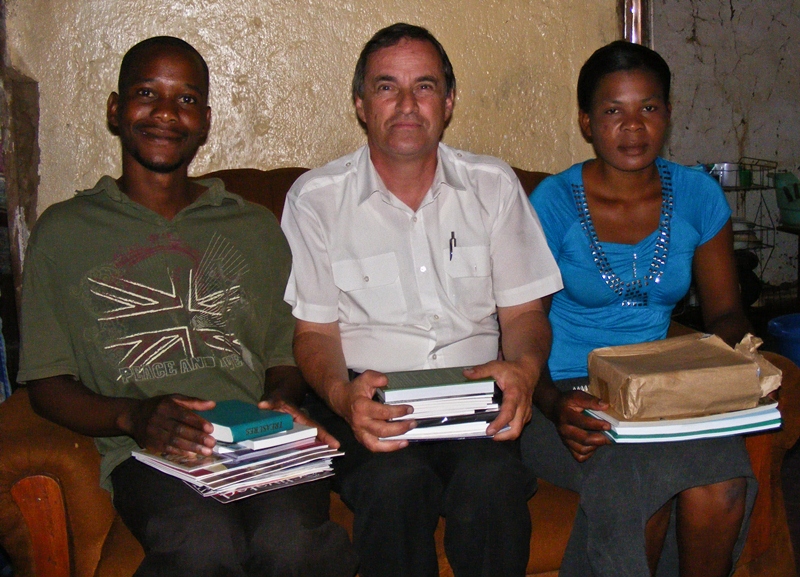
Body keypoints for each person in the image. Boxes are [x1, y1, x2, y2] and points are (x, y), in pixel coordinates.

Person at [17, 36, 357, 577]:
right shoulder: (63, 233)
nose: (165, 113)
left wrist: (276, 406)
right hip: (151, 453)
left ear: (205, 121)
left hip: (258, 443)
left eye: (187, 99)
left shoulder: (252, 227)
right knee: (202, 544)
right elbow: (46, 383)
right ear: (115, 109)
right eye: (146, 93)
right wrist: (133, 416)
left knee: (292, 543)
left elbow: (283, 358)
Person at [280, 22, 563, 577]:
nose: (407, 104)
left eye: (425, 86)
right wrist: (342, 397)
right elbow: (313, 334)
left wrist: (525, 373)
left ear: (449, 102)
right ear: (361, 105)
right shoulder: (316, 200)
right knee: (395, 484)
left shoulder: (493, 185)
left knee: (492, 480)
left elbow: (525, 314)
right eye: (387, 87)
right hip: (371, 398)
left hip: (473, 394)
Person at [521, 40, 755, 577]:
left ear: (667, 114)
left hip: (663, 386)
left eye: (648, 107)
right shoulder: (553, 204)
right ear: (586, 122)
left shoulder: (698, 196)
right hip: (567, 391)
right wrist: (553, 404)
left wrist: (737, 365)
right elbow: (520, 325)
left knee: (723, 484)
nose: (633, 126)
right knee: (639, 488)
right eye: (612, 111)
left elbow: (724, 314)